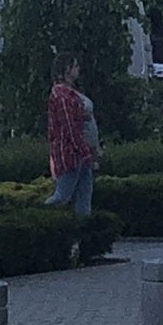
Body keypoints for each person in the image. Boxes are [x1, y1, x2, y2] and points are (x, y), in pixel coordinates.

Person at [45, 53, 97, 218]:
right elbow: (69, 128)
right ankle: (38, 214)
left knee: (84, 196)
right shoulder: (61, 95)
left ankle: (82, 232)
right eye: (75, 66)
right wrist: (83, 150)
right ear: (66, 69)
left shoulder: (70, 94)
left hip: (81, 153)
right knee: (62, 195)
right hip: (70, 154)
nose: (78, 69)